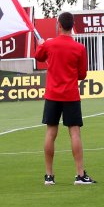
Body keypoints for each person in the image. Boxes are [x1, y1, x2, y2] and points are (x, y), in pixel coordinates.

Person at [35, 11, 95, 185]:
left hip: (53, 94)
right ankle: (79, 174)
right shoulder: (79, 48)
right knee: (74, 133)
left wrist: (41, 44)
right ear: (72, 26)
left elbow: (39, 56)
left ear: (59, 25)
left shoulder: (50, 44)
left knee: (51, 132)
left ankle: (49, 175)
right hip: (70, 94)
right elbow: (82, 74)